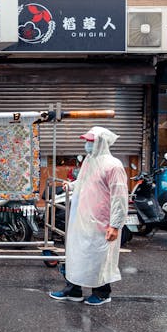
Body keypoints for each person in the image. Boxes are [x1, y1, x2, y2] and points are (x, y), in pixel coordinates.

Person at [49, 126, 128, 306]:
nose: (87, 144)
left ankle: (102, 293)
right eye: (87, 141)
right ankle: (73, 289)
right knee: (77, 254)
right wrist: (72, 186)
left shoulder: (113, 165)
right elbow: (85, 180)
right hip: (82, 217)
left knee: (98, 258)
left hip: (102, 221)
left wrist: (115, 225)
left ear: (101, 142)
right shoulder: (90, 161)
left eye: (91, 141)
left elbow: (119, 197)